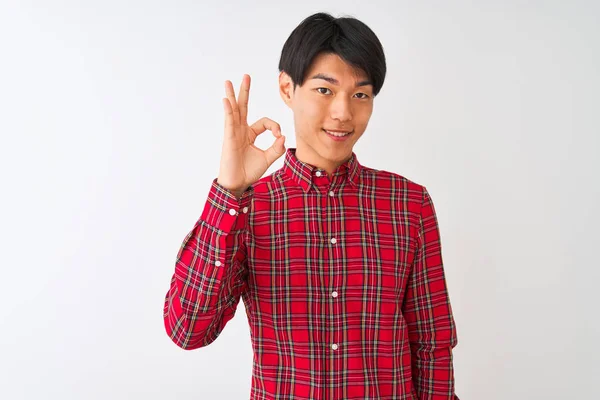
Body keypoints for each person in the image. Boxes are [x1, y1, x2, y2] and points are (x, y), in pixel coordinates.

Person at [163, 12, 459, 400]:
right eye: (325, 90)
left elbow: (431, 344)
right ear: (288, 88)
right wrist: (229, 193)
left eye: (360, 95)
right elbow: (188, 329)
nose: (343, 113)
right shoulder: (249, 209)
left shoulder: (408, 204)